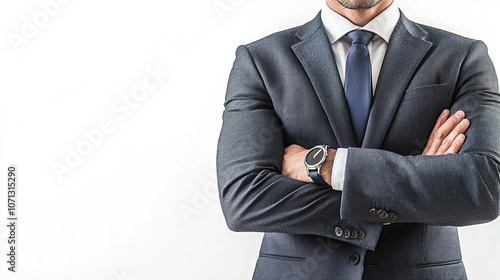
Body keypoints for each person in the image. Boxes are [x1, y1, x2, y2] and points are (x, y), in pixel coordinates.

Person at [216, 0, 500, 279]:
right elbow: (244, 198)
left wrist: (329, 164)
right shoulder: (260, 60)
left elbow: (485, 189)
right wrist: (407, 194)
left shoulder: (462, 57)